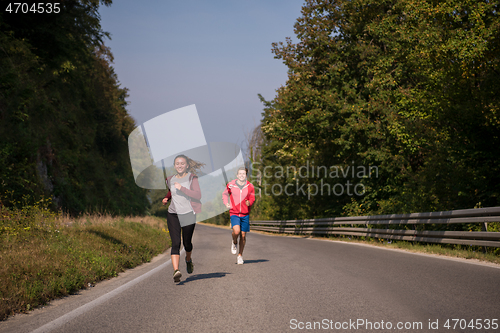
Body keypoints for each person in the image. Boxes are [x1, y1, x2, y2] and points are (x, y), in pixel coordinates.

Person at [162, 154, 203, 282]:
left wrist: (183, 188)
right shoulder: (170, 179)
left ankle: (188, 260)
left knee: (187, 244)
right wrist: (167, 198)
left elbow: (198, 195)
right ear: (174, 166)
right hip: (173, 214)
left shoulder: (192, 178)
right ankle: (176, 271)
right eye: (177, 164)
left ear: (187, 165)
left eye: (182, 163)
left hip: (188, 214)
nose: (180, 166)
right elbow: (171, 190)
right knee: (175, 243)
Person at [222, 167, 255, 264]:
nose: (242, 175)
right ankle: (234, 242)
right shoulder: (231, 185)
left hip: (245, 214)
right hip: (234, 213)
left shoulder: (250, 186)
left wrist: (250, 202)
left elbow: (252, 197)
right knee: (236, 232)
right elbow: (225, 194)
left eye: (244, 174)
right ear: (237, 175)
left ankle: (240, 255)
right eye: (240, 173)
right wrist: (226, 203)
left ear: (246, 175)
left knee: (243, 236)